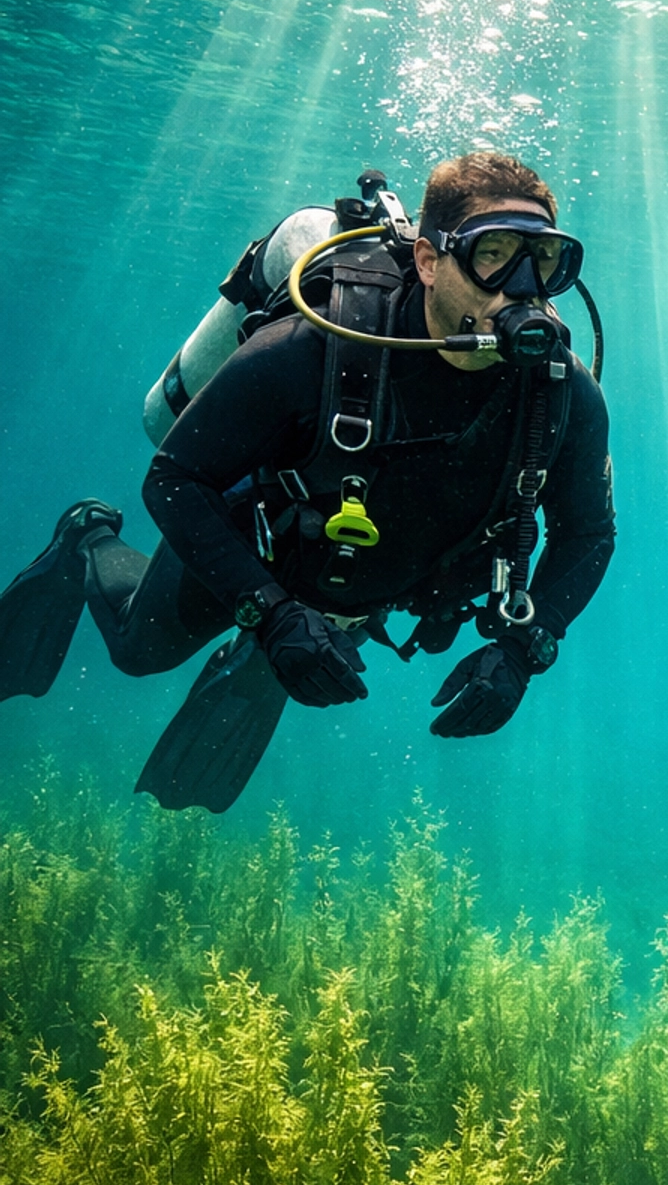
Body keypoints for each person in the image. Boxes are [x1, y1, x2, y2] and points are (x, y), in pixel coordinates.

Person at [0, 150, 614, 809]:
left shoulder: (563, 392)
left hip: (376, 572)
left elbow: (588, 534)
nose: (522, 288)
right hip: (259, 546)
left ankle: (288, 636)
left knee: (312, 635)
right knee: (137, 650)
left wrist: (526, 646)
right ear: (430, 263)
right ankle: (85, 538)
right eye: (493, 254)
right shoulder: (313, 349)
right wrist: (270, 615)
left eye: (545, 262)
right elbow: (175, 479)